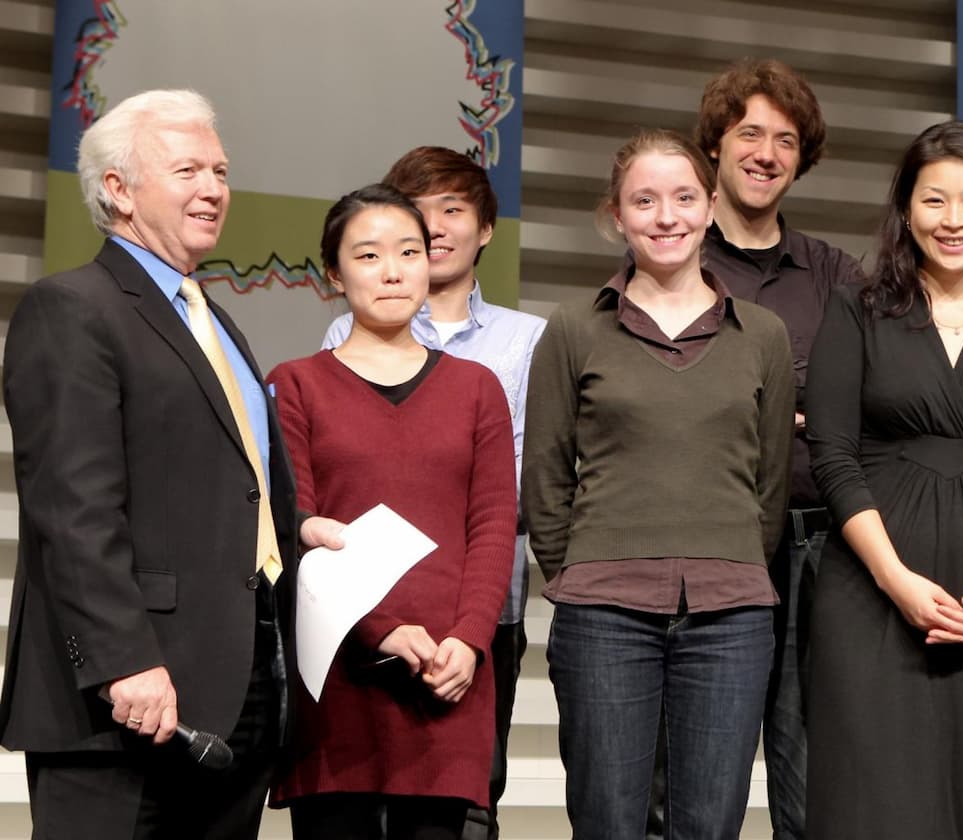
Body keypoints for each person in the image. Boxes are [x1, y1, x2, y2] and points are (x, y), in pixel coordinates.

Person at [0, 89, 296, 839]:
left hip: (239, 688)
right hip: (124, 702)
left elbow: (226, 484)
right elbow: (71, 511)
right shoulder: (72, 307)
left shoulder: (213, 317)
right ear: (118, 189)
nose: (214, 189)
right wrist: (122, 662)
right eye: (188, 169)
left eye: (221, 171)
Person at [523, 128, 795, 840]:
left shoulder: (763, 334)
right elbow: (546, 477)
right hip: (603, 613)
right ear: (616, 214)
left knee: (710, 823)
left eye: (682, 198)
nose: (665, 217)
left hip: (731, 613)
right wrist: (583, 569)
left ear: (710, 207)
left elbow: (771, 485)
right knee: (608, 819)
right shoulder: (574, 330)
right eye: (644, 200)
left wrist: (730, 560)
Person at [804, 120, 963, 840]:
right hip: (870, 589)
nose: (955, 221)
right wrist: (895, 580)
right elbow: (832, 456)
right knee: (870, 803)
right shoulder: (856, 310)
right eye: (935, 201)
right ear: (906, 209)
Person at [267, 184, 517, 838]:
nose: (392, 270)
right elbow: (298, 527)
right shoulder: (295, 385)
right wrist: (379, 630)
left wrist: (469, 640)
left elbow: (492, 526)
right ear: (333, 272)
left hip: (448, 673)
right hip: (340, 670)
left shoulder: (475, 388)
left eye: (409, 251)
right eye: (369, 254)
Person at [321, 146, 545, 840]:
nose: (437, 227)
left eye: (455, 209)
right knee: (356, 789)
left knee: (470, 793)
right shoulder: (342, 336)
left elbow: (515, 485)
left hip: (482, 608)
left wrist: (470, 623)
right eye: (421, 212)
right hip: (362, 605)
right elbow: (337, 484)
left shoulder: (527, 340)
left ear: (485, 228)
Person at [690, 58, 867, 840]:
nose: (766, 153)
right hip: (709, 547)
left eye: (785, 140)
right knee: (700, 785)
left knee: (814, 784)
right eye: (750, 133)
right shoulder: (671, 263)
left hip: (819, 548)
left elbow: (863, 402)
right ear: (717, 147)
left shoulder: (835, 276)